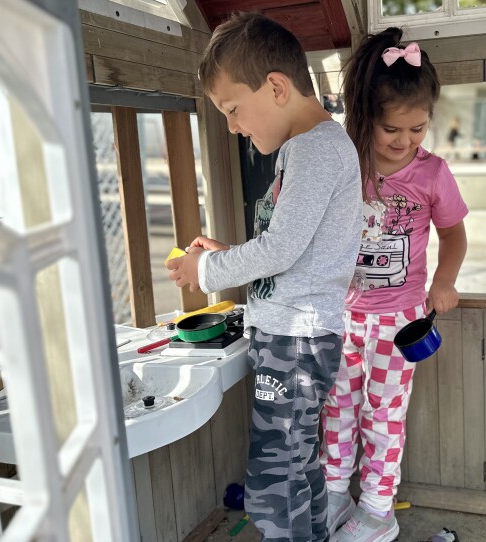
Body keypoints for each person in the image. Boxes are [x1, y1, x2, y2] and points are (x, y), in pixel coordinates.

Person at [165, 12, 362, 542]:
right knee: (299, 469)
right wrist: (231, 252)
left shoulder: (317, 148)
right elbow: (296, 251)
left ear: (275, 87)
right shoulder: (307, 148)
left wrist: (204, 269)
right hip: (295, 336)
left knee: (274, 487)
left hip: (296, 343)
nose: (232, 126)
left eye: (233, 110)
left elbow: (281, 249)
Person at [319, 28, 469, 542]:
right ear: (364, 118)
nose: (405, 141)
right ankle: (335, 494)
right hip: (341, 314)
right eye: (391, 129)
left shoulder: (433, 175)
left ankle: (378, 511)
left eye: (418, 128)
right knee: (336, 408)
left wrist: (444, 280)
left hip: (399, 321)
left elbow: (454, 236)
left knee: (382, 417)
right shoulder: (345, 163)